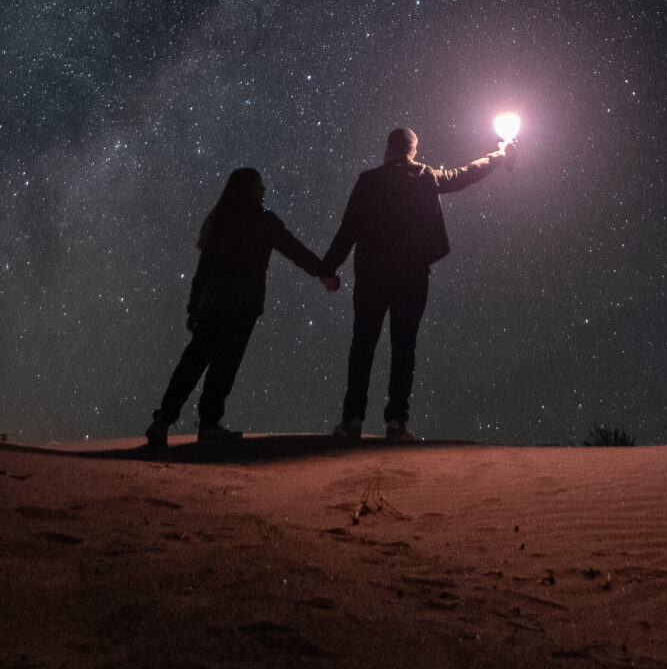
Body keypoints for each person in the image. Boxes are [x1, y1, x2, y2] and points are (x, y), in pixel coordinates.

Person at [321, 125, 512, 442]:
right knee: (404, 346)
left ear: (388, 149)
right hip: (412, 276)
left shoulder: (369, 181)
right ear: (414, 150)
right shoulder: (427, 176)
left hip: (371, 276)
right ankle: (397, 422)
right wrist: (500, 154)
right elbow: (467, 173)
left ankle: (352, 420)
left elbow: (348, 228)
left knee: (363, 345)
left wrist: (328, 268)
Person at [147, 167, 338, 447]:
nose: (265, 190)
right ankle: (209, 424)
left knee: (193, 361)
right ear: (250, 188)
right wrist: (324, 273)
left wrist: (193, 307)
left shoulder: (221, 221)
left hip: (212, 304)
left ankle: (163, 420)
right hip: (242, 306)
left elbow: (203, 271)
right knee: (224, 364)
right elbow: (294, 250)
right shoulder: (265, 222)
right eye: (260, 184)